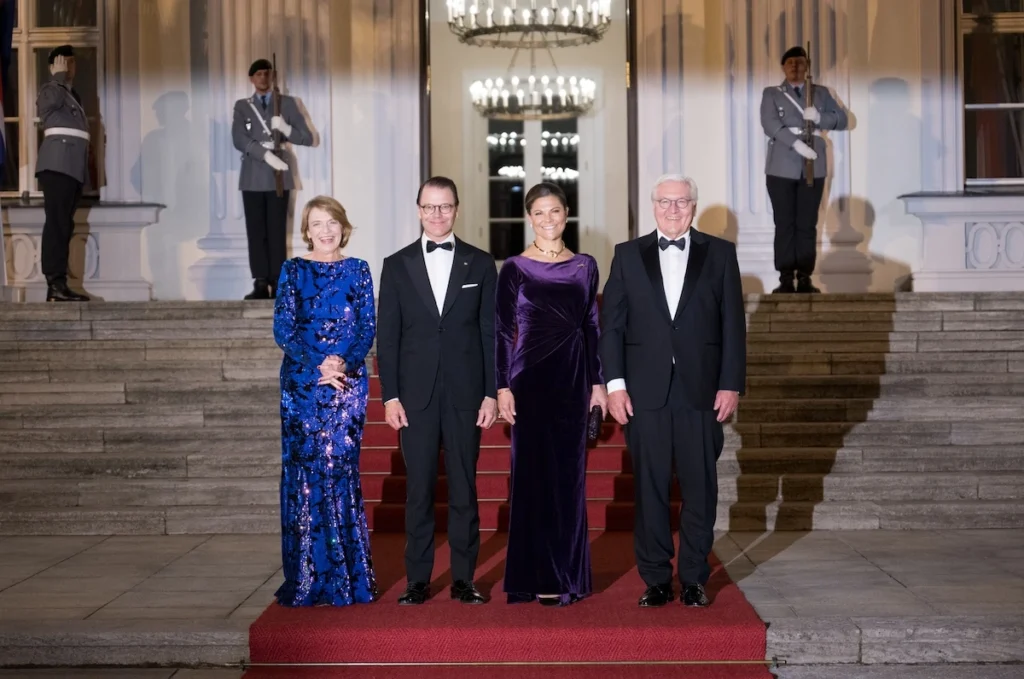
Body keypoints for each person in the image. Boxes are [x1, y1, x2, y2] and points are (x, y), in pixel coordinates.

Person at [599, 175, 746, 608]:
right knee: (650, 489)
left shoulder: (720, 254)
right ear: (653, 206)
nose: (673, 209)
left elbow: (733, 326)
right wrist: (615, 385)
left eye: (681, 202)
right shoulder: (627, 256)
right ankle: (657, 579)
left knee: (701, 488)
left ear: (694, 206)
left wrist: (730, 382)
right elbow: (613, 327)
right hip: (645, 393)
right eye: (665, 202)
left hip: (702, 391)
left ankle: (695, 578)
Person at [377, 176, 498, 606]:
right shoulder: (396, 264)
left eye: (444, 207)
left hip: (467, 396)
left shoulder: (481, 263)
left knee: (465, 489)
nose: (437, 214)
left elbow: (490, 334)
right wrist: (389, 396)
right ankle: (418, 580)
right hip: (415, 398)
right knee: (419, 491)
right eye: (429, 207)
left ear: (457, 209)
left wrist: (491, 393)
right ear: (418, 210)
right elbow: (387, 338)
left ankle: (464, 578)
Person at [495, 182, 606, 607]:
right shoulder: (515, 267)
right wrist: (502, 385)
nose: (548, 220)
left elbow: (591, 327)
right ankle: (534, 573)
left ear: (565, 214)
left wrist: (597, 383)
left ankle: (567, 573)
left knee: (569, 480)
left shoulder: (586, 266)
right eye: (539, 213)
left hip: (574, 380)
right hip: (531, 380)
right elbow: (503, 331)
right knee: (532, 479)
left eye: (554, 211)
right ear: (530, 217)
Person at [273, 195, 377, 606]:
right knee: (305, 472)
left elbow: (367, 328)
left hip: (348, 385)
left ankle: (346, 579)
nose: (326, 230)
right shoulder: (293, 270)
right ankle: (308, 576)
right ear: (307, 230)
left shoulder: (359, 270)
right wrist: (320, 365)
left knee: (339, 470)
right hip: (302, 384)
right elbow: (283, 329)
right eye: (317, 223)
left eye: (332, 221)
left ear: (343, 225)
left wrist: (343, 363)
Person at [760, 45, 849, 293]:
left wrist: (821, 118)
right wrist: (796, 144)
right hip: (781, 166)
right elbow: (769, 123)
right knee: (785, 223)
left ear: (806, 66)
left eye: (799, 62)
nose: (795, 67)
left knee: (807, 223)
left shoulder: (820, 93)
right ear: (783, 67)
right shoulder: (772, 93)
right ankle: (786, 277)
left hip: (814, 164)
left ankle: (805, 275)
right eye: (790, 63)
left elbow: (842, 120)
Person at [232, 57, 314, 300]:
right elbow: (238, 138)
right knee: (256, 231)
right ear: (251, 79)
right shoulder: (243, 106)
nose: (263, 78)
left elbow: (308, 138)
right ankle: (260, 281)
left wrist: (287, 129)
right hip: (254, 174)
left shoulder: (287, 104)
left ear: (272, 76)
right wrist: (265, 155)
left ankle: (279, 281)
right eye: (258, 75)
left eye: (267, 74)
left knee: (278, 230)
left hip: (280, 175)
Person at [36, 44, 90, 302]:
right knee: (57, 224)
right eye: (62, 62)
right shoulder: (50, 89)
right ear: (52, 66)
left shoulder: (72, 95)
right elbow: (47, 108)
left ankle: (59, 283)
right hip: (57, 165)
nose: (68, 67)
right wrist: (57, 79)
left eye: (71, 62)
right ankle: (55, 283)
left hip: (70, 167)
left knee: (64, 225)